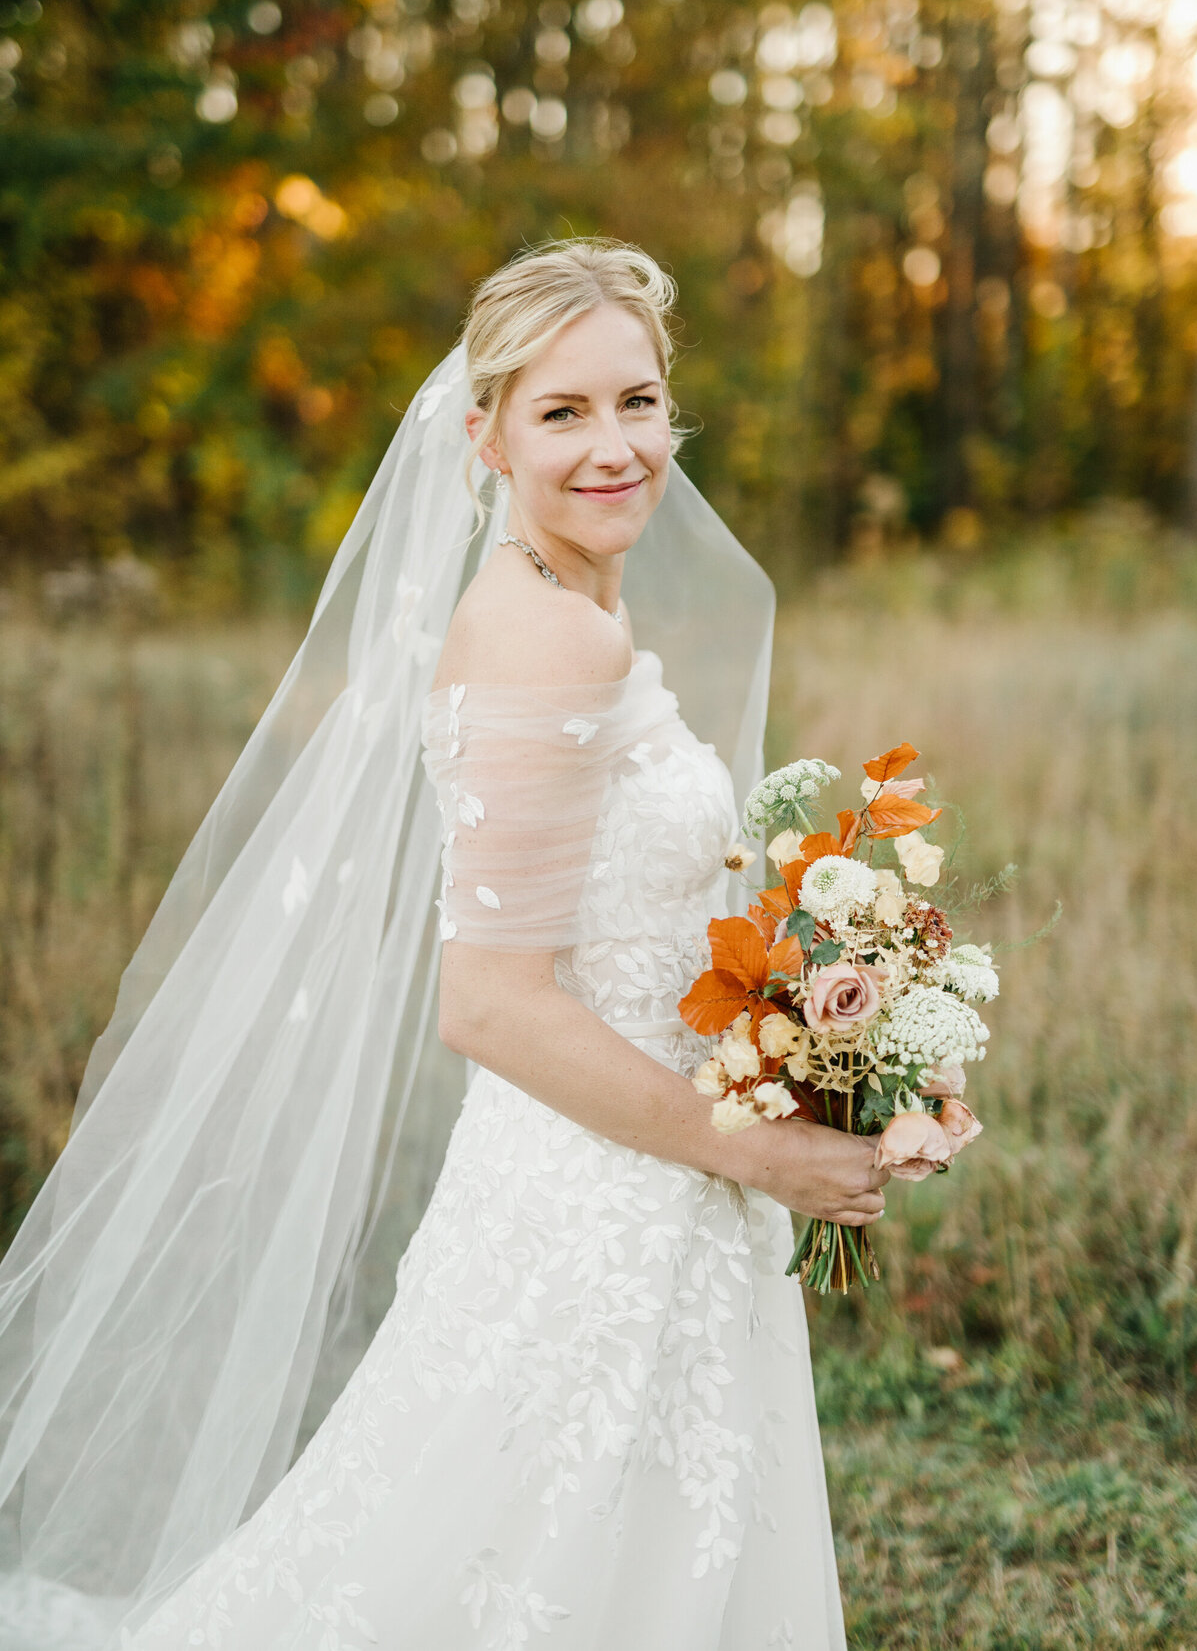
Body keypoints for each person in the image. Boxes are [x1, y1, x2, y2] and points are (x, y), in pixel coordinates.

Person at [0, 239, 886, 1650]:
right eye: (564, 412)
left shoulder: (576, 596)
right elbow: (484, 1002)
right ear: (482, 437)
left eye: (641, 403)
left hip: (642, 1171)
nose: (618, 448)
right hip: (598, 1198)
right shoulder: (549, 636)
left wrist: (810, 1032)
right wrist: (757, 1147)